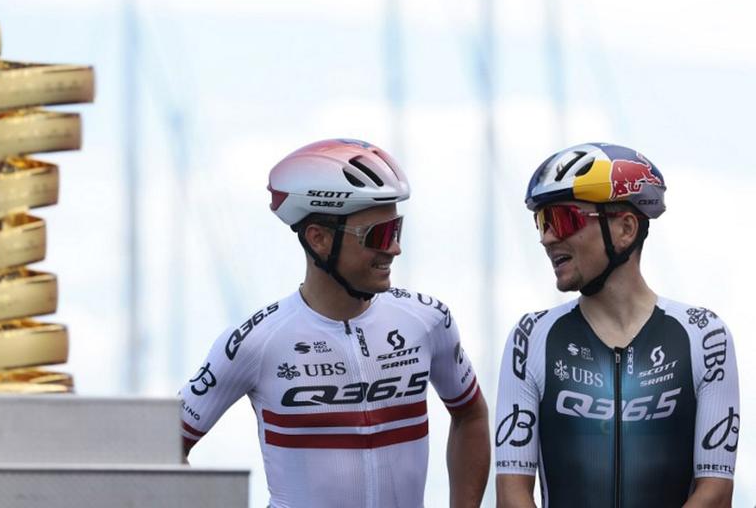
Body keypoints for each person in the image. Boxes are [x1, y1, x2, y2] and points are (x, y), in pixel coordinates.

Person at [180, 139, 490, 508]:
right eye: (379, 235)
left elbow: (471, 415)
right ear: (319, 239)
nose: (394, 248)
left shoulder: (427, 320)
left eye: (397, 230)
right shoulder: (255, 342)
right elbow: (160, 449)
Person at [494, 143, 740, 507]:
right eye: (542, 222)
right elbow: (512, 493)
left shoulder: (704, 335)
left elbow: (716, 491)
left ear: (625, 229)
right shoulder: (531, 337)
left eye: (563, 219)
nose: (547, 238)